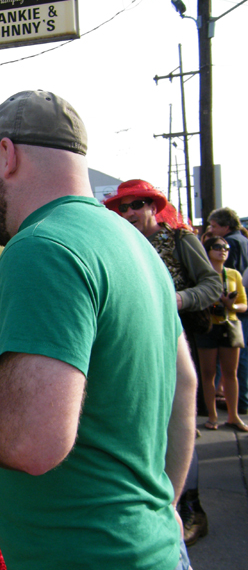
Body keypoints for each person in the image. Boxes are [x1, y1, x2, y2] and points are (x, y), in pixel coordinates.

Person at [0, 90, 196, 570]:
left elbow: (33, 442)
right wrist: (162, 505)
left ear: (6, 155)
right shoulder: (130, 242)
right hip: (151, 555)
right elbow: (184, 384)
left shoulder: (42, 248)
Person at [104, 179, 220, 547]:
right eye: (123, 207)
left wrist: (177, 300)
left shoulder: (181, 240)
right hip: (138, 345)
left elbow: (213, 286)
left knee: (180, 422)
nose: (129, 213)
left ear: (154, 206)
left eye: (137, 204)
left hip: (177, 342)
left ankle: (191, 509)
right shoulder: (122, 244)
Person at [196, 236, 247, 431]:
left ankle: (233, 416)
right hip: (208, 325)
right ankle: (212, 416)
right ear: (207, 250)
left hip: (230, 324)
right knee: (208, 373)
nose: (222, 250)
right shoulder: (202, 274)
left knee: (230, 373)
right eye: (217, 247)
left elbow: (244, 305)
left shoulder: (233, 274)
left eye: (225, 247)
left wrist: (231, 304)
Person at [207, 207, 248, 415]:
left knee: (231, 367)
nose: (212, 230)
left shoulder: (232, 245)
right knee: (234, 366)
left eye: (214, 226)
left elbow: (230, 279)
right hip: (234, 314)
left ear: (226, 226)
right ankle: (237, 405)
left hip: (230, 315)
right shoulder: (243, 241)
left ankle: (236, 404)